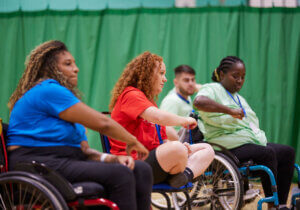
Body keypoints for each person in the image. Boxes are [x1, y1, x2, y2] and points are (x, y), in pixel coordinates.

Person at [6, 40, 153, 210]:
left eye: (74, 64)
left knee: (141, 169)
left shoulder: (65, 103)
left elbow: (84, 151)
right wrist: (132, 140)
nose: (76, 69)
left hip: (65, 160)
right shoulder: (47, 90)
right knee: (121, 174)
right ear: (49, 68)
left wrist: (111, 158)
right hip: (37, 163)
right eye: (67, 64)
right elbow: (103, 123)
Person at [193, 56, 295, 209]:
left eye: (243, 77)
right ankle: (272, 205)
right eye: (235, 76)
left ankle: (281, 204)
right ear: (222, 75)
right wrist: (229, 110)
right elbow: (199, 102)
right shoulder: (212, 88)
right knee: (267, 153)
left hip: (246, 141)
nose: (240, 80)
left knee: (287, 152)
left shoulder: (238, 97)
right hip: (225, 145)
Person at [108, 52, 214, 188]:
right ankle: (177, 172)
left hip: (154, 160)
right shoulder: (130, 94)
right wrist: (184, 121)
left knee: (207, 149)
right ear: (147, 74)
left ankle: (183, 177)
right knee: (177, 148)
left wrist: (181, 148)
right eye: (161, 73)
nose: (165, 79)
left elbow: (163, 141)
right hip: (132, 164)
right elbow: (158, 117)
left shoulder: (150, 101)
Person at [159, 65, 203, 140]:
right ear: (176, 82)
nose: (191, 83)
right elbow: (165, 131)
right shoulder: (171, 101)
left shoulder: (186, 95)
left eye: (193, 80)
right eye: (186, 80)